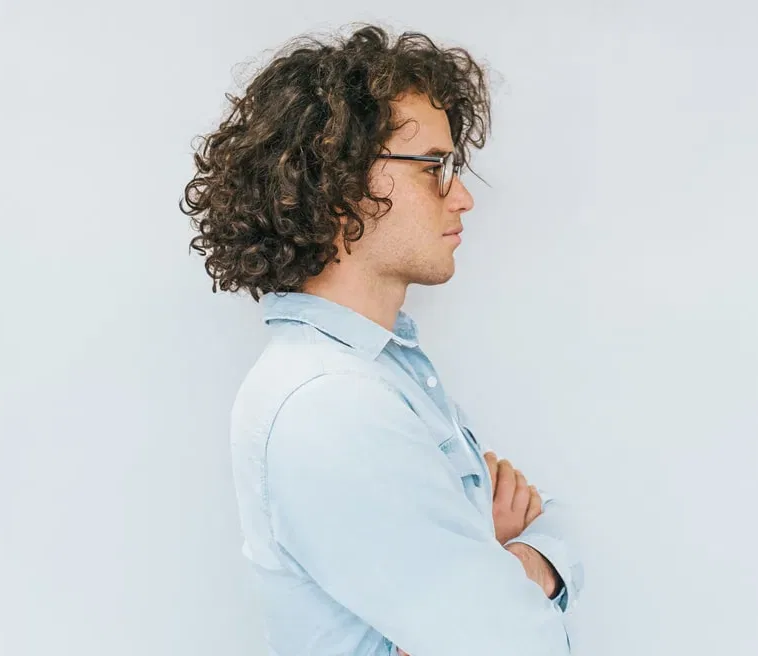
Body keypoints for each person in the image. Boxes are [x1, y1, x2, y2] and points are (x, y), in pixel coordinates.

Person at [180, 24, 584, 656]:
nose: (464, 197)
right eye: (434, 168)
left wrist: (506, 567)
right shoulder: (331, 404)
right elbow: (516, 643)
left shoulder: (382, 373)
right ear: (338, 182)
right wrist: (527, 565)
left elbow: (545, 523)